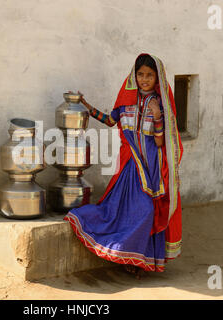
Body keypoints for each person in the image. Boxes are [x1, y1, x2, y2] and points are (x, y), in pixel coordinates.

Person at [63, 53, 183, 279]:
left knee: (149, 212)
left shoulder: (160, 104)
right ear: (134, 76)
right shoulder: (127, 102)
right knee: (132, 211)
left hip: (152, 169)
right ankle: (125, 255)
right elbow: (110, 120)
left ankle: (138, 260)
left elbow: (159, 141)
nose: (144, 79)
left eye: (149, 75)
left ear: (157, 77)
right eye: (140, 75)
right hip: (131, 166)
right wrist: (86, 105)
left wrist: (157, 115)